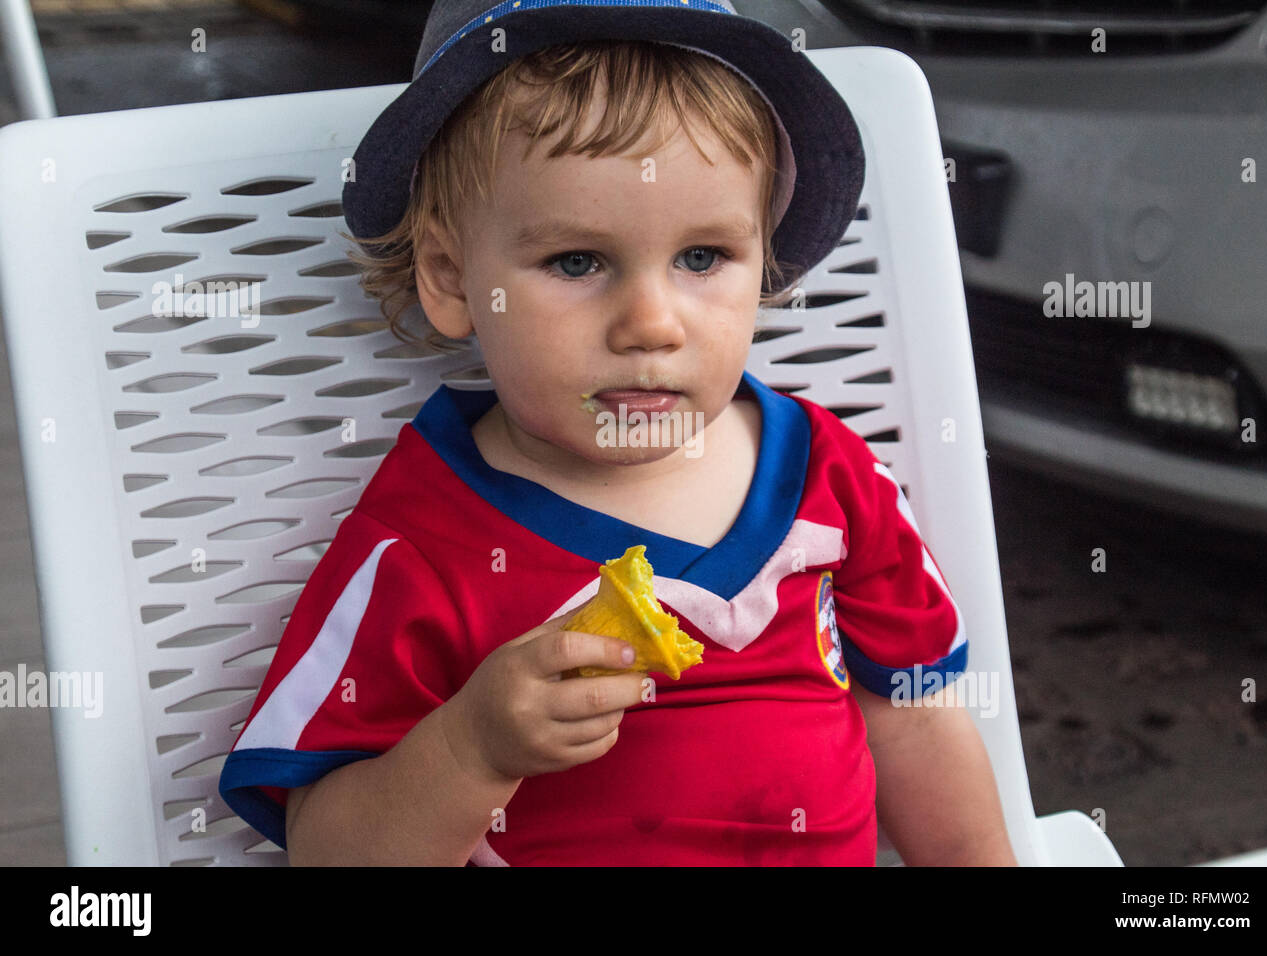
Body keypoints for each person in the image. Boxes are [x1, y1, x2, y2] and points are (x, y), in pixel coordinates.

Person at [218, 0, 1017, 866]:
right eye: (577, 262)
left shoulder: (831, 478)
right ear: (451, 278)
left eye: (703, 257)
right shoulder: (422, 544)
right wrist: (469, 749)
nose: (652, 323)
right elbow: (328, 851)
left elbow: (912, 719)